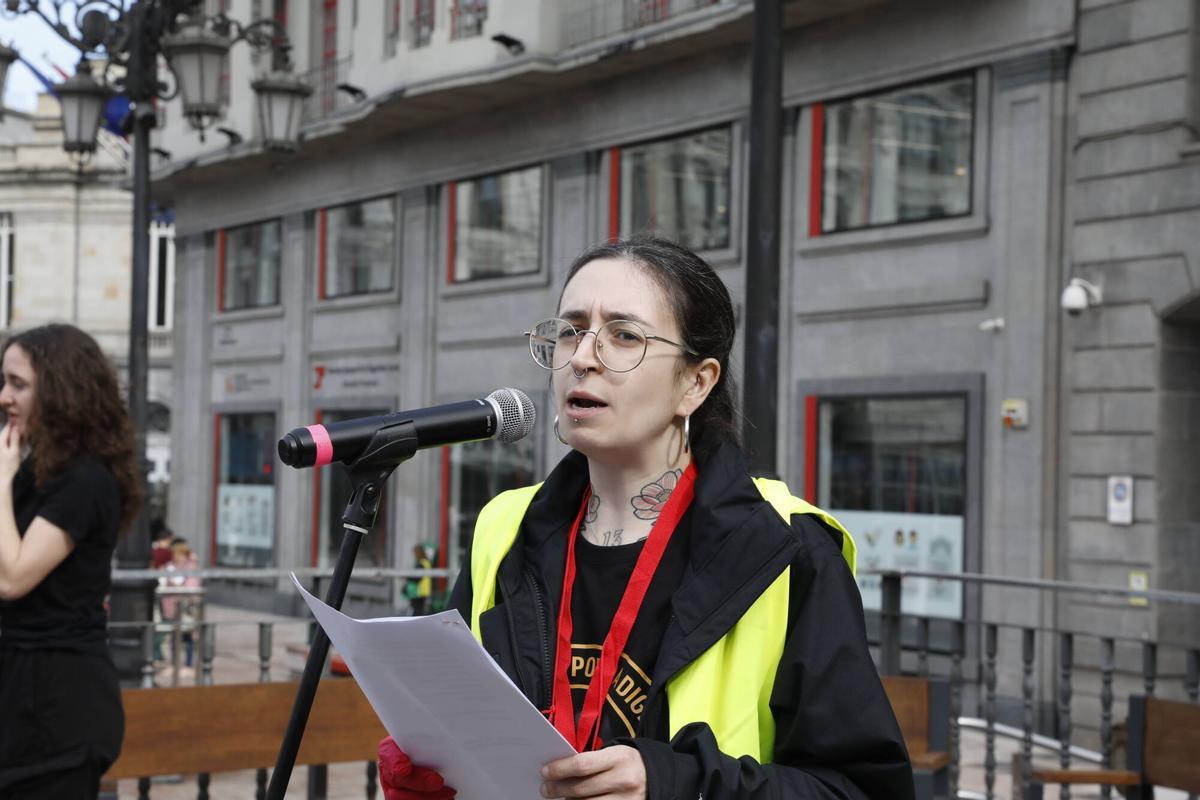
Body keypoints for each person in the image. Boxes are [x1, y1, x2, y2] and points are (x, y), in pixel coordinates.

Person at [378, 237, 914, 799]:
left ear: (696, 383)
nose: (582, 358)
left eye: (624, 336)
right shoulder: (506, 527)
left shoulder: (787, 546)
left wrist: (675, 784)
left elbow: (862, 790)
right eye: (571, 330)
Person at [0, 324, 141, 798]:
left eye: (18, 384)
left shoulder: (86, 481)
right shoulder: (35, 472)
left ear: (60, 391)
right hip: (24, 701)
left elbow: (12, 577)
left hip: (59, 711)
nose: (4, 397)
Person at [405, 544, 433, 616]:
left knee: (417, 610)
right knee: (420, 609)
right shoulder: (426, 562)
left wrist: (407, 577)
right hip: (424, 590)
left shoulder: (421, 564)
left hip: (418, 591)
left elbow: (416, 578)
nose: (414, 555)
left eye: (414, 553)